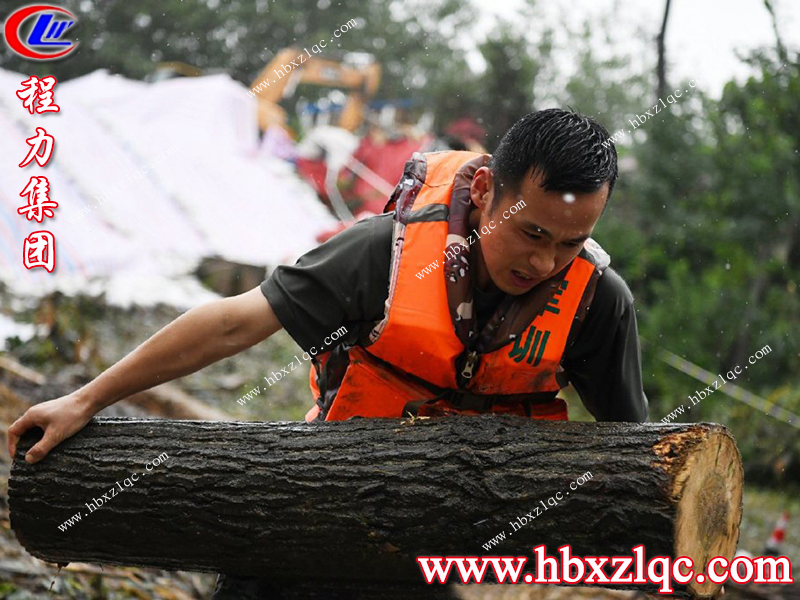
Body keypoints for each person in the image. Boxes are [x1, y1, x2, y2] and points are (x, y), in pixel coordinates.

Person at [7, 108, 648, 598]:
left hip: (447, 554)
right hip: (318, 506)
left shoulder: (598, 303)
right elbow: (234, 323)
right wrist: (86, 399)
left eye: (571, 243)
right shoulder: (382, 254)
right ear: (484, 191)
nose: (545, 262)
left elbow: (636, 461)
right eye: (531, 231)